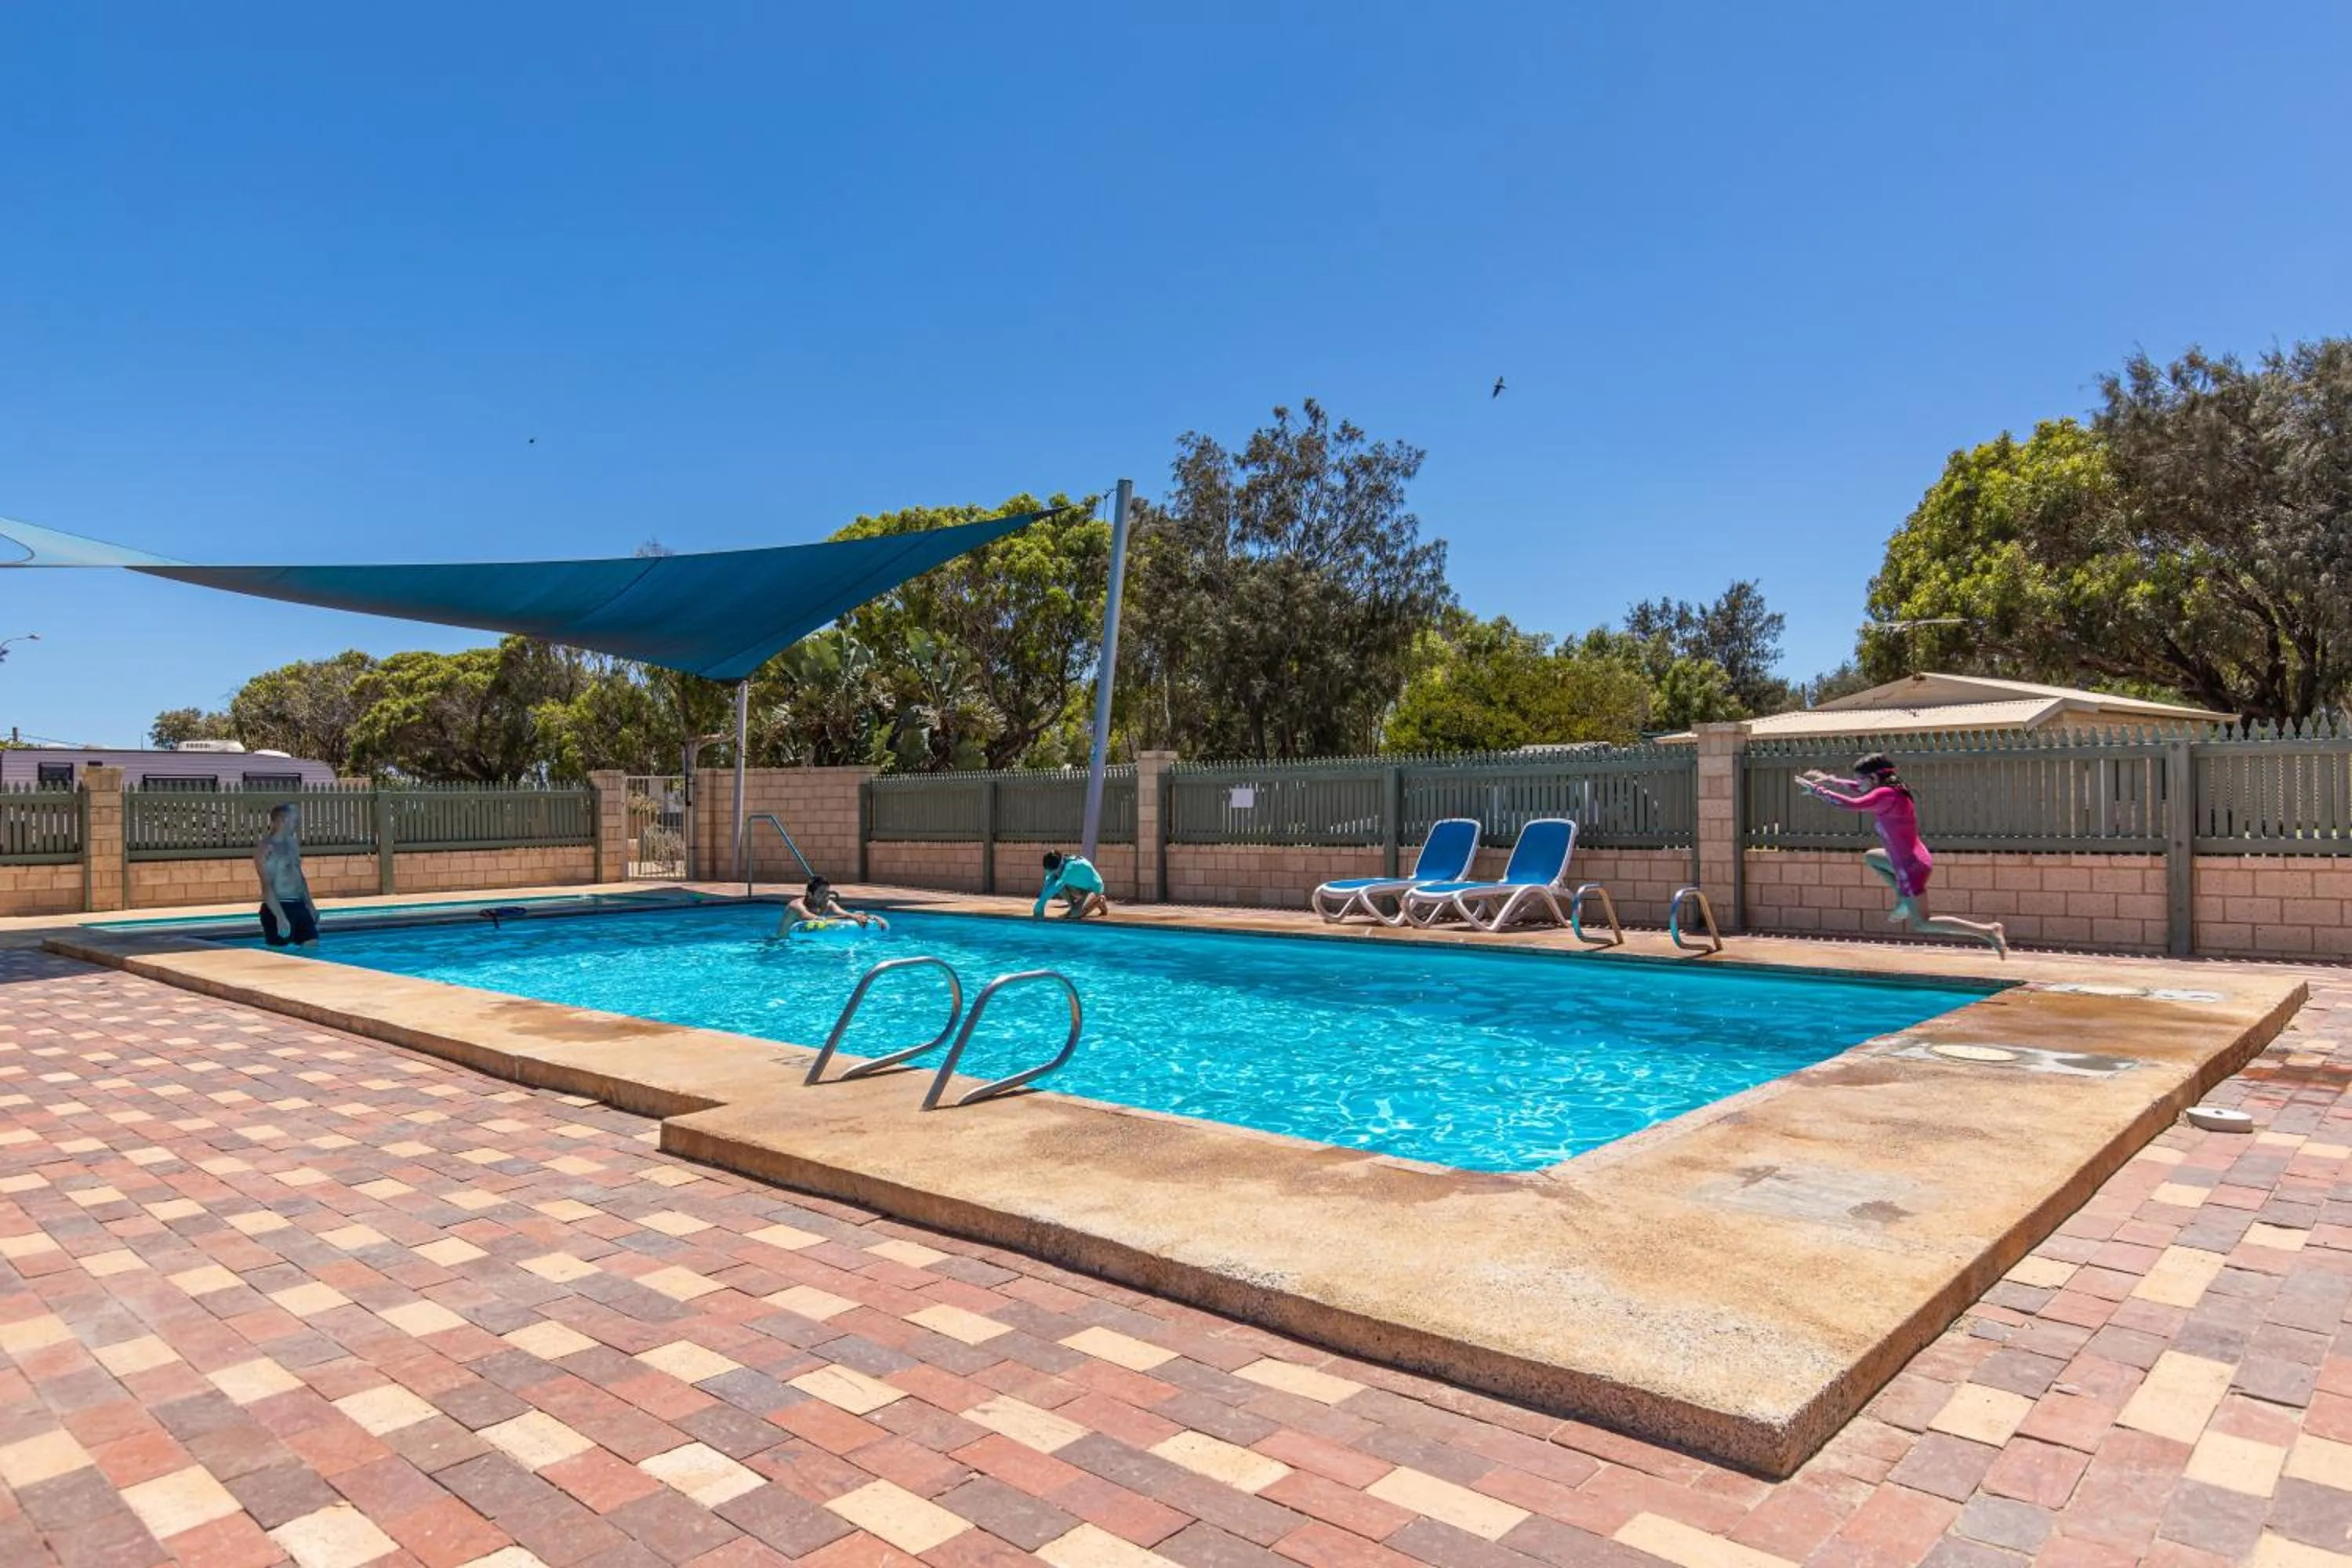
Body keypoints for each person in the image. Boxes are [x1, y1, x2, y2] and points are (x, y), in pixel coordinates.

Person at [1798, 753, 2006, 956]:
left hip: (1909, 868)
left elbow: (1852, 804)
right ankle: (1902, 897)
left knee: (1923, 923)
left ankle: (1987, 930)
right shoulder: (1892, 790)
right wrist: (1833, 781)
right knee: (1872, 856)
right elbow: (1858, 789)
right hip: (1913, 858)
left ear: (1874, 778)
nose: (1857, 783)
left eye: (1860, 779)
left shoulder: (1884, 795)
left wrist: (1818, 791)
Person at [252, 802, 319, 949]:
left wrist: (310, 905)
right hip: (279, 906)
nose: (298, 824)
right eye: (295, 820)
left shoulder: (292, 843)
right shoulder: (267, 848)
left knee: (312, 946)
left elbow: (299, 877)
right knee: (279, 955)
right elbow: (266, 885)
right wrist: (280, 917)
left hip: (299, 905)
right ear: (283, 820)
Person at [1034, 850, 1109, 919]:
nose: (1051, 873)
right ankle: (1074, 908)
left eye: (1053, 871)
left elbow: (1059, 884)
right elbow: (1048, 883)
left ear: (1059, 864)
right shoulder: (1059, 865)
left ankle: (1100, 901)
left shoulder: (1072, 866)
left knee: (1075, 914)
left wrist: (1040, 904)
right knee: (1056, 881)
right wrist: (1040, 905)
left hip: (1095, 888)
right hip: (1079, 888)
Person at [789, 876, 884, 929]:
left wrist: (871, 917)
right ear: (809, 894)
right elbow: (815, 919)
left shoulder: (827, 903)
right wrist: (850, 917)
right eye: (821, 893)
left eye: (827, 892)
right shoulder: (797, 906)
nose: (826, 896)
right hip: (784, 945)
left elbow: (846, 914)